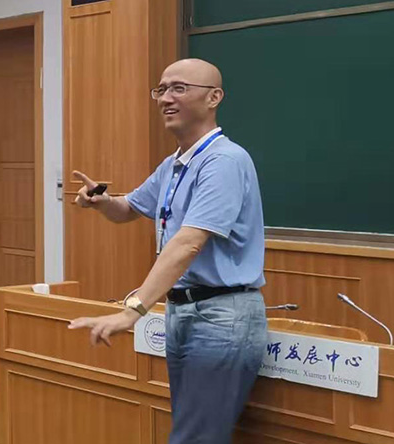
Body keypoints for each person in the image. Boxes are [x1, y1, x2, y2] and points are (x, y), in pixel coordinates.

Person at [69, 58, 267, 444]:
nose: (165, 98)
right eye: (161, 89)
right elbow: (129, 208)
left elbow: (188, 242)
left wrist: (132, 311)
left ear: (214, 97)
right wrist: (102, 202)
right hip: (184, 312)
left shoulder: (224, 161)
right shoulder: (175, 163)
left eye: (179, 88)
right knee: (194, 432)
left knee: (194, 438)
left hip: (221, 316)